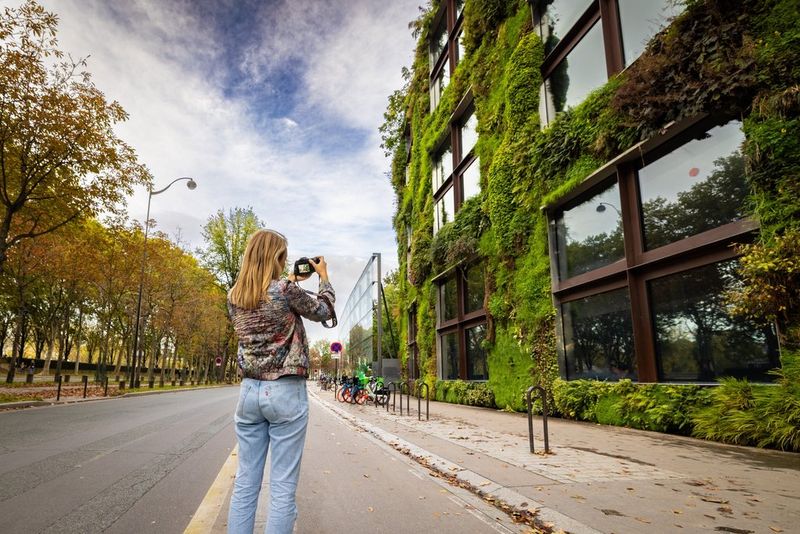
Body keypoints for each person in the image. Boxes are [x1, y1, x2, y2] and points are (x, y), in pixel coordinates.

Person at [226, 229, 335, 534]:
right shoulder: (286, 290)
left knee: (245, 484)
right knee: (282, 489)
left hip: (248, 393)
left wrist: (291, 281)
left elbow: (265, 300)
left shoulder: (233, 296)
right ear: (277, 257)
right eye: (283, 255)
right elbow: (323, 310)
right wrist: (323, 277)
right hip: (285, 391)